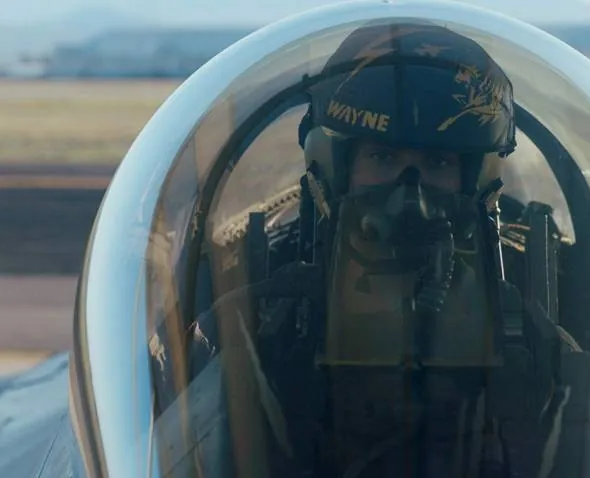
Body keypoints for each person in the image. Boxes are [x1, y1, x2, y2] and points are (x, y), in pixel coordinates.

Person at [185, 20, 565, 478]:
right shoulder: (255, 299)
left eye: (438, 162)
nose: (410, 194)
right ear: (334, 167)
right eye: (383, 157)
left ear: (475, 180)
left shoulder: (540, 310)